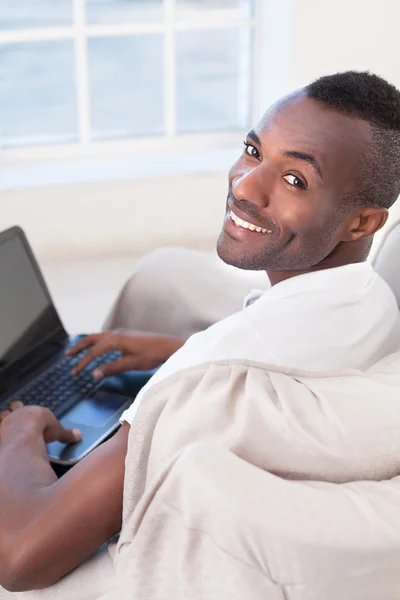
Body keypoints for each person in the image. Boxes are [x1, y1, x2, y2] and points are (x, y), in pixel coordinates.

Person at [1, 70, 400, 593]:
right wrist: (178, 351)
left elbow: (22, 555)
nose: (244, 185)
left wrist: (22, 430)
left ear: (363, 223)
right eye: (254, 151)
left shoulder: (206, 387)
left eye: (295, 179)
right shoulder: (371, 302)